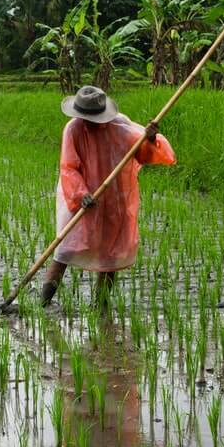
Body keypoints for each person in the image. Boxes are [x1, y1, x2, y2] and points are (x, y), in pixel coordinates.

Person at [41, 85, 176, 307]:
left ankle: (100, 305)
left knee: (110, 255)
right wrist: (81, 194)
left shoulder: (120, 125)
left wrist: (150, 139)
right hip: (81, 198)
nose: (88, 122)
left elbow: (142, 154)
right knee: (64, 250)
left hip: (114, 197)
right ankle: (42, 303)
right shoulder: (73, 129)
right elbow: (69, 167)